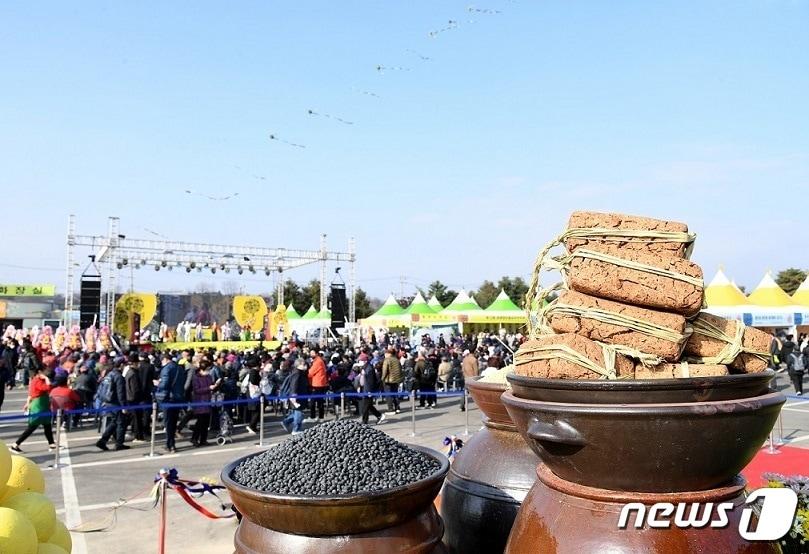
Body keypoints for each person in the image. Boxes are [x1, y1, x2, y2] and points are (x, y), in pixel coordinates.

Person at [9, 366, 55, 452]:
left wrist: (27, 403)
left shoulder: (35, 380)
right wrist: (46, 378)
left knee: (47, 425)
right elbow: (48, 388)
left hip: (42, 404)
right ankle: (16, 444)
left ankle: (51, 444)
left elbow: (30, 393)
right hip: (39, 405)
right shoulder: (37, 381)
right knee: (32, 426)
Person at [96, 359, 129, 451]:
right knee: (121, 422)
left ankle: (103, 440)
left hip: (108, 402)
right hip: (116, 403)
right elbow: (120, 393)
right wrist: (123, 406)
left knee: (114, 422)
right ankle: (119, 443)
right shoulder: (119, 377)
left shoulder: (109, 375)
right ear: (121, 365)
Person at [155, 352, 185, 453]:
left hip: (168, 398)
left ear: (165, 359)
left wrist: (158, 383)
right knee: (174, 421)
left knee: (168, 423)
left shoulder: (166, 369)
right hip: (178, 398)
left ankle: (170, 444)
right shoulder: (179, 368)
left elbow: (165, 385)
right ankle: (172, 444)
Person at [280, 359, 309, 434]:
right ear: (298, 365)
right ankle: (296, 429)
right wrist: (294, 395)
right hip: (298, 395)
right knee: (298, 412)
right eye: (303, 364)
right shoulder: (297, 373)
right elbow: (294, 385)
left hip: (299, 395)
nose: (305, 366)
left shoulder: (298, 372)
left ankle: (286, 422)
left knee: (297, 412)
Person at [191, 361, 214, 446]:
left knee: (206, 423)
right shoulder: (196, 378)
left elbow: (211, 385)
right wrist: (208, 388)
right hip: (200, 401)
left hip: (208, 400)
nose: (208, 371)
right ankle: (194, 438)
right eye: (207, 369)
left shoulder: (209, 377)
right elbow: (196, 390)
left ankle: (203, 439)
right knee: (200, 422)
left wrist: (214, 387)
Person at [123, 353, 145, 442]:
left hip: (129, 398)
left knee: (134, 418)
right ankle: (138, 436)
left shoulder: (128, 372)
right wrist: (140, 397)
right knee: (137, 419)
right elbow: (136, 388)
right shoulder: (134, 373)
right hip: (135, 399)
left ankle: (136, 434)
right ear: (135, 363)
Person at [358, 359, 385, 425]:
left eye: (360, 360)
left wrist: (369, 391)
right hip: (365, 389)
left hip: (368, 390)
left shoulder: (369, 369)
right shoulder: (365, 368)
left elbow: (370, 381)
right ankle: (379, 415)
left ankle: (365, 422)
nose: (359, 362)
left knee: (365, 406)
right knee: (368, 406)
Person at [307, 351, 328, 422]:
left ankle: (314, 417)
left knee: (314, 401)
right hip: (319, 383)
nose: (311, 354)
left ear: (316, 353)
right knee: (319, 401)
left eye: (313, 353)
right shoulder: (318, 361)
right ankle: (320, 417)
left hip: (317, 383)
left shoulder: (318, 362)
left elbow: (310, 373)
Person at [381, 349, 403, 414]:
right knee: (395, 394)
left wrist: (382, 379)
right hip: (396, 380)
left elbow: (384, 371)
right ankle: (397, 408)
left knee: (388, 394)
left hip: (389, 380)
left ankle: (390, 409)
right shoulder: (396, 360)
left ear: (388, 353)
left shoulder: (387, 360)